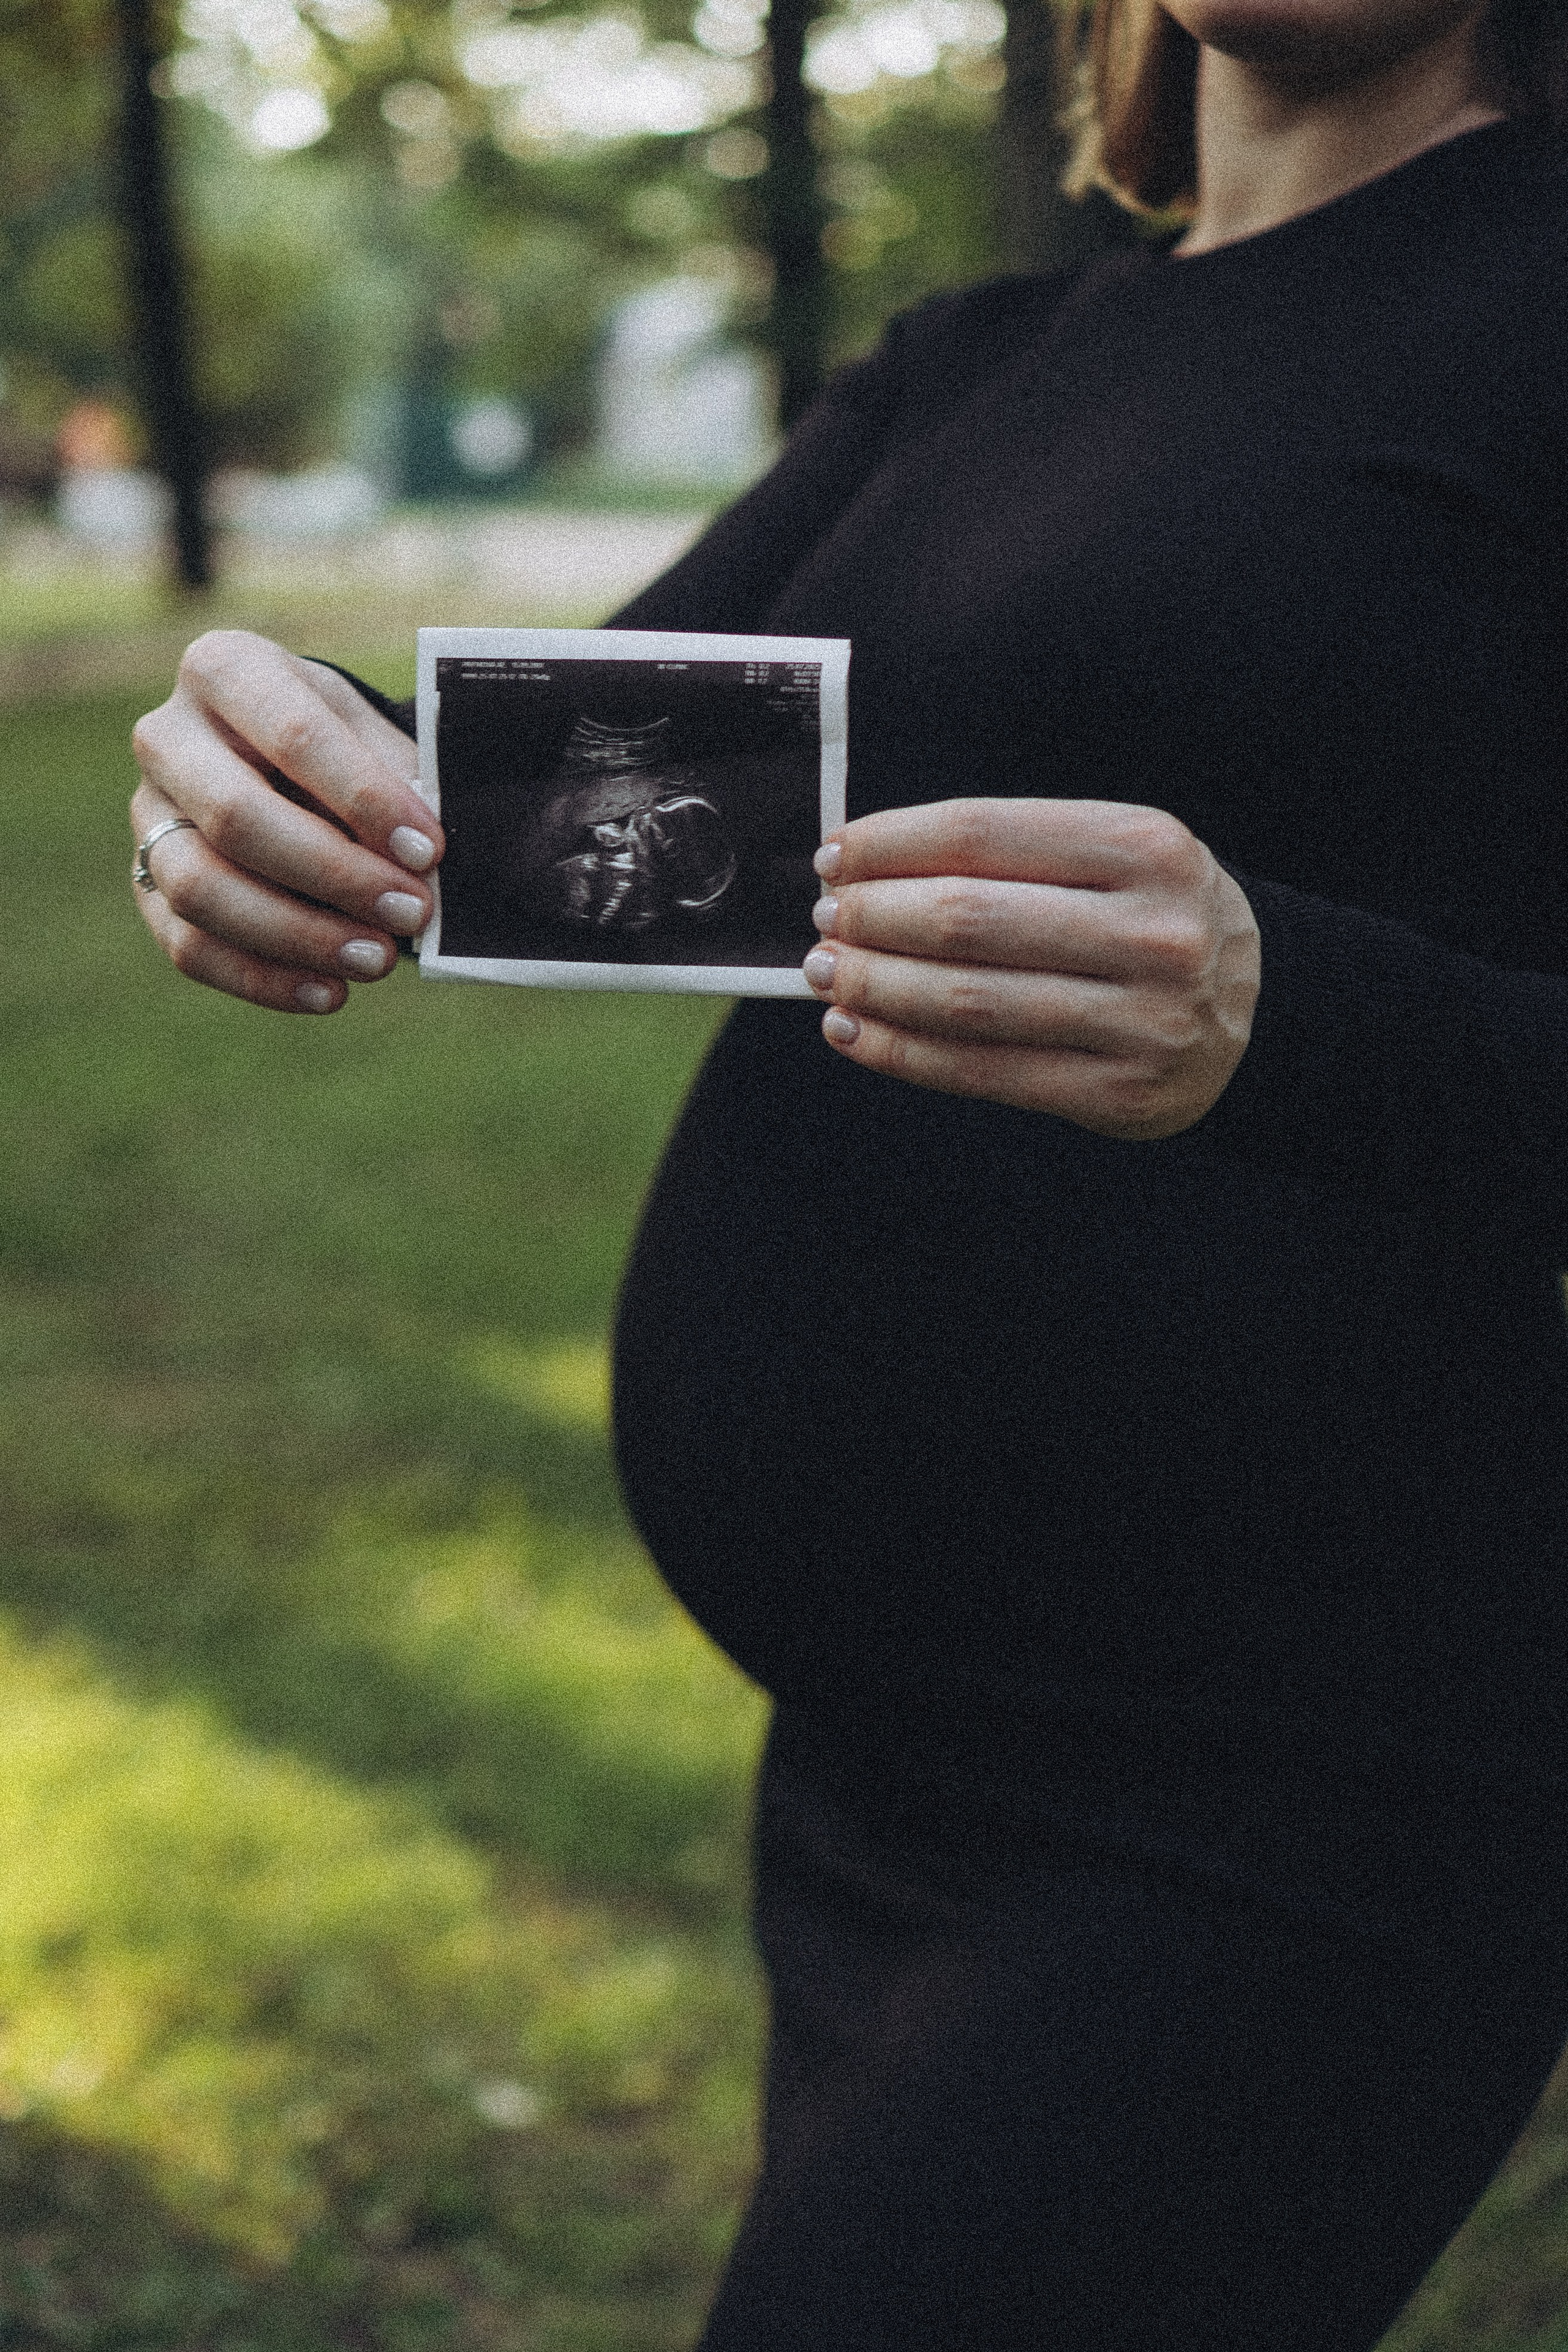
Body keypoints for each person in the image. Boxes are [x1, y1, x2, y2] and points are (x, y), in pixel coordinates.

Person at [129, 0, 1568, 2341]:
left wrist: (1296, 1018)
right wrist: (272, 779)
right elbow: (532, 805)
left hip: (1291, 1793)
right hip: (886, 1764)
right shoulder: (984, 359)